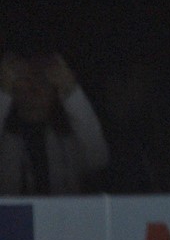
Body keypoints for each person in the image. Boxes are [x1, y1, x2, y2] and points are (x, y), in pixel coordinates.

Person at [0, 48, 110, 194]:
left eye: (43, 78)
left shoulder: (68, 140)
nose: (35, 85)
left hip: (62, 215)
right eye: (25, 78)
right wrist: (3, 93)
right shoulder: (5, 139)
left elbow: (98, 157)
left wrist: (71, 91)